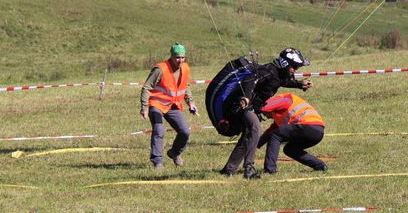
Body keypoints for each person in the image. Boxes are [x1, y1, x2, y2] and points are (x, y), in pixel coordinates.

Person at [219, 48, 312, 179]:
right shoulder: (268, 70)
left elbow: (283, 81)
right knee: (255, 128)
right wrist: (245, 97)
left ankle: (229, 169)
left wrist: (300, 84)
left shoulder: (279, 74)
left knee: (248, 135)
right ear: (285, 63)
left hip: (252, 107)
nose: (295, 70)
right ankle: (249, 168)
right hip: (240, 105)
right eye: (294, 66)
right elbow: (249, 80)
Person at [140, 43, 197, 169]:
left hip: (173, 106)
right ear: (171, 56)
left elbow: (185, 86)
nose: (180, 60)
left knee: (185, 132)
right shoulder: (160, 69)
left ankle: (174, 153)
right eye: (177, 57)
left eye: (182, 57)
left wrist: (191, 103)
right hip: (157, 105)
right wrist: (144, 107)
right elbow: (146, 87)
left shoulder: (185, 68)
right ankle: (157, 161)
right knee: (159, 130)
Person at [257, 93, 327, 174]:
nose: (268, 117)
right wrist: (257, 144)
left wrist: (258, 109)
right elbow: (272, 130)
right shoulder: (282, 114)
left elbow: (264, 107)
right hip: (318, 132)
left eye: (266, 115)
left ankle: (270, 170)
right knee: (290, 150)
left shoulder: (284, 99)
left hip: (307, 125)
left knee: (275, 135)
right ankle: (320, 166)